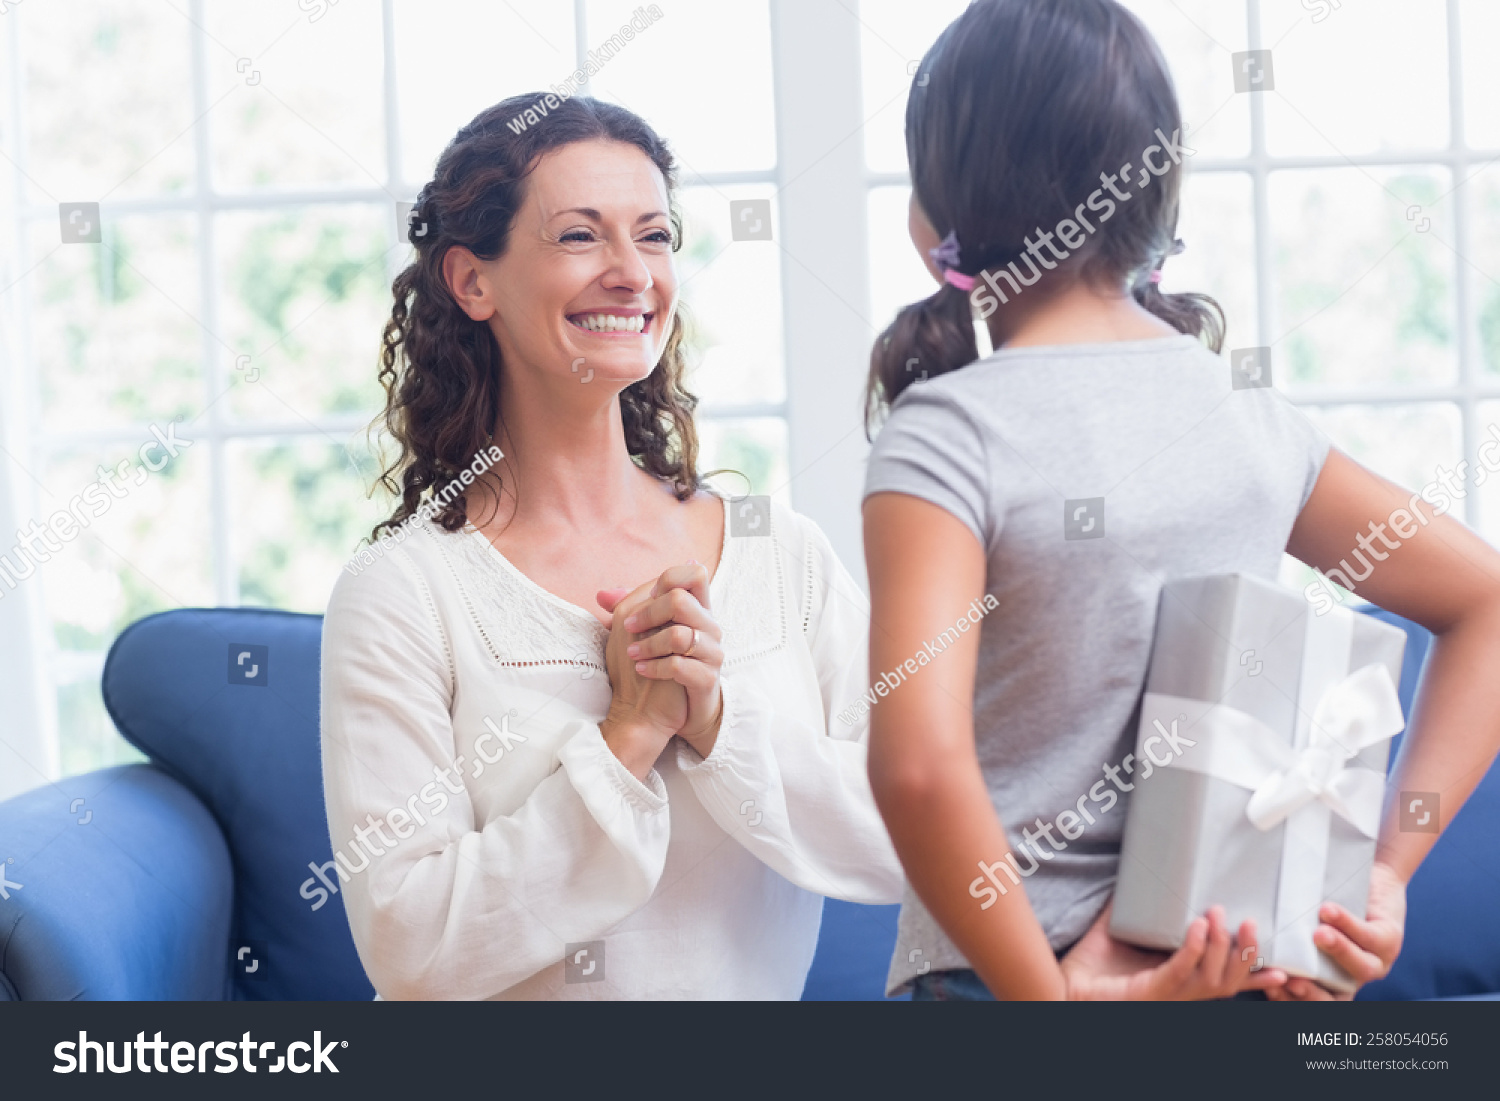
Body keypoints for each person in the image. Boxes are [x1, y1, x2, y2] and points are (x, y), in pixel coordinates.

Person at [861, 0, 1500, 1000]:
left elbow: (915, 769)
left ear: (946, 201)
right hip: (1238, 956)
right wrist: (1382, 874)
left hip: (1005, 984)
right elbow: (1487, 600)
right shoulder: (1247, 417)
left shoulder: (952, 435)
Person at [319, 94, 903, 1000]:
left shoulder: (778, 553)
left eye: (656, 235)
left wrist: (716, 720)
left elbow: (908, 825)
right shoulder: (402, 594)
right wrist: (624, 739)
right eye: (580, 237)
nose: (633, 273)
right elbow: (411, 943)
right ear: (472, 281)